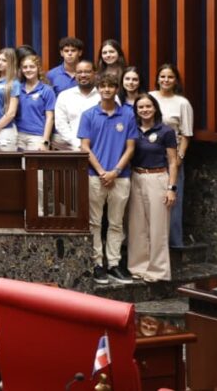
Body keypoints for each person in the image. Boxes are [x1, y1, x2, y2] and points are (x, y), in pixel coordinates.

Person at [78, 74, 138, 284]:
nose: (106, 90)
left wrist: (115, 171)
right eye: (102, 86)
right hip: (95, 176)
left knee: (116, 223)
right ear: (98, 89)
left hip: (120, 177)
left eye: (110, 86)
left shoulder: (128, 115)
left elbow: (131, 147)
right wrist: (102, 171)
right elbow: (85, 147)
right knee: (94, 222)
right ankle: (97, 264)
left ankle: (113, 264)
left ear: (116, 89)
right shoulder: (88, 114)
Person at [127, 93, 179, 283]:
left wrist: (171, 188)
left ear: (155, 108)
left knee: (158, 226)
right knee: (137, 225)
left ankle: (158, 270)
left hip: (158, 178)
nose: (145, 110)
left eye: (148, 106)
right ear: (136, 110)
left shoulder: (166, 131)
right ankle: (138, 267)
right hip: (136, 177)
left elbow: (173, 162)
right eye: (141, 107)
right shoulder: (132, 130)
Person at [150, 63, 194, 248]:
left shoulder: (182, 103)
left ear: (175, 80)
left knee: (173, 200)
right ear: (157, 78)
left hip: (172, 157)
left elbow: (186, 134)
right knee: (152, 201)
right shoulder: (150, 97)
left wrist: (179, 158)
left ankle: (174, 245)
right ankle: (152, 244)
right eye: (162, 76)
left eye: (170, 77)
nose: (165, 80)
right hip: (149, 156)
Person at [51, 60, 100, 150]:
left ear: (95, 74)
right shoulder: (64, 96)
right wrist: (78, 143)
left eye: (87, 72)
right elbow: (61, 125)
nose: (83, 75)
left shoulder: (105, 96)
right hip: (73, 148)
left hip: (101, 148)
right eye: (79, 72)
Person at [14, 55, 55, 150]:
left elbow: (50, 118)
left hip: (37, 137)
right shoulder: (18, 88)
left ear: (38, 68)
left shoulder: (47, 90)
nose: (28, 70)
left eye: (32, 67)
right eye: (25, 67)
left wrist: (45, 141)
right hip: (18, 135)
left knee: (34, 165)